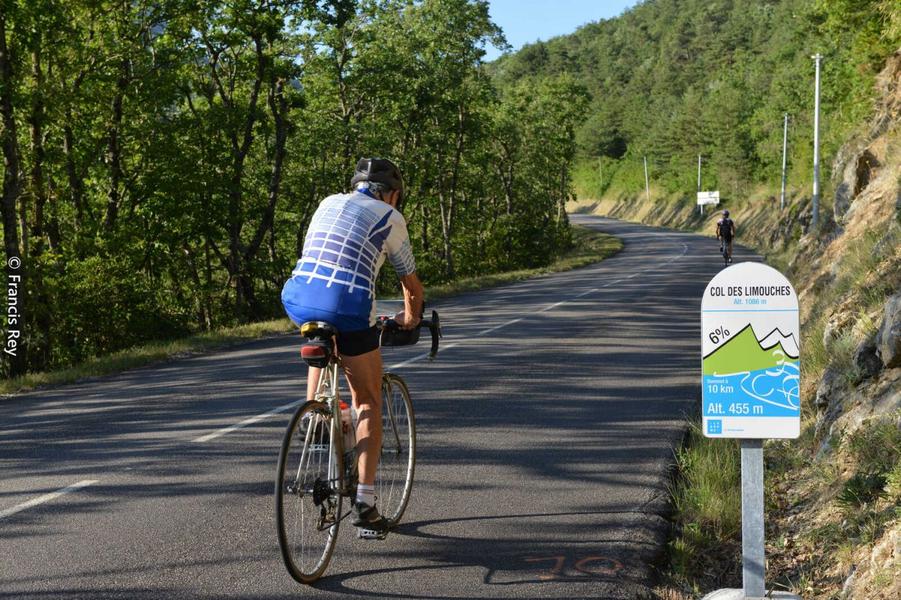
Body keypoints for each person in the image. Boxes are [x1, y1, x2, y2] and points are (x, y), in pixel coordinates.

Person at [281, 158, 424, 539]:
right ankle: (364, 501)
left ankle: (316, 415)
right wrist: (410, 320)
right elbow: (411, 286)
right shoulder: (390, 217)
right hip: (347, 303)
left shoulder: (327, 202)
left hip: (297, 298)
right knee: (367, 399)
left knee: (323, 337)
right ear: (392, 194)